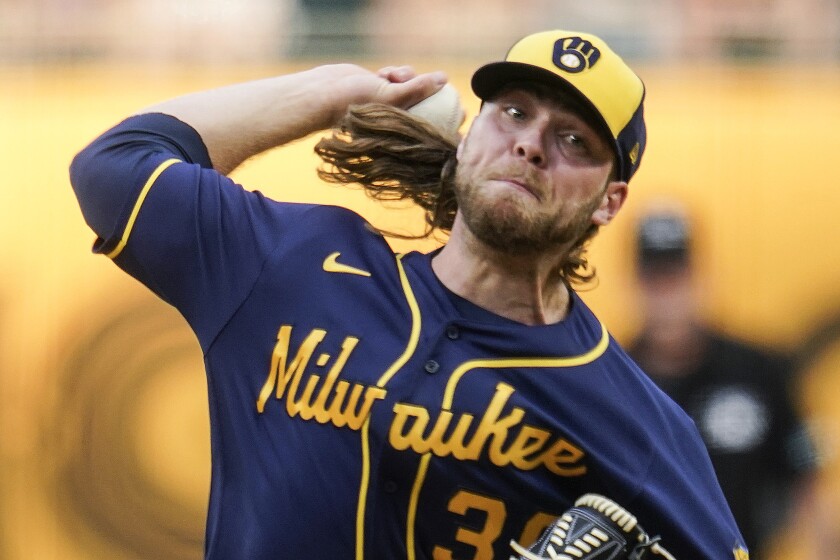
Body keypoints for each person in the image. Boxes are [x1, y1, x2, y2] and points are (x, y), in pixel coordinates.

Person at [69, 29, 747, 559]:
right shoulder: (291, 267)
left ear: (610, 200)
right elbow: (114, 168)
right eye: (512, 112)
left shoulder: (633, 424)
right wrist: (328, 92)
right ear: (470, 132)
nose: (531, 145)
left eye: (573, 139)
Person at [627, 204, 819, 559]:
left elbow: (802, 472)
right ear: (636, 284)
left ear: (700, 278)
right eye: (656, 279)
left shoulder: (757, 371)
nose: (668, 296)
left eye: (677, 276)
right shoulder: (615, 381)